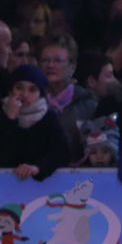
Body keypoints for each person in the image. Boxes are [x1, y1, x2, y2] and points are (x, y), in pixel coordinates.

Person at [0, 64, 71, 181]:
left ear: (40, 93)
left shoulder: (48, 118)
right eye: (19, 87)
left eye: (32, 90)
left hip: (39, 192)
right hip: (3, 187)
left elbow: (61, 153)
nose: (25, 94)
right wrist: (9, 119)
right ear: (11, 90)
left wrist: (37, 168)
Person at [38, 33, 94, 162]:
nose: (50, 65)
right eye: (45, 60)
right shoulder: (31, 100)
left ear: (72, 66)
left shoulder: (88, 105)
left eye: (57, 60)